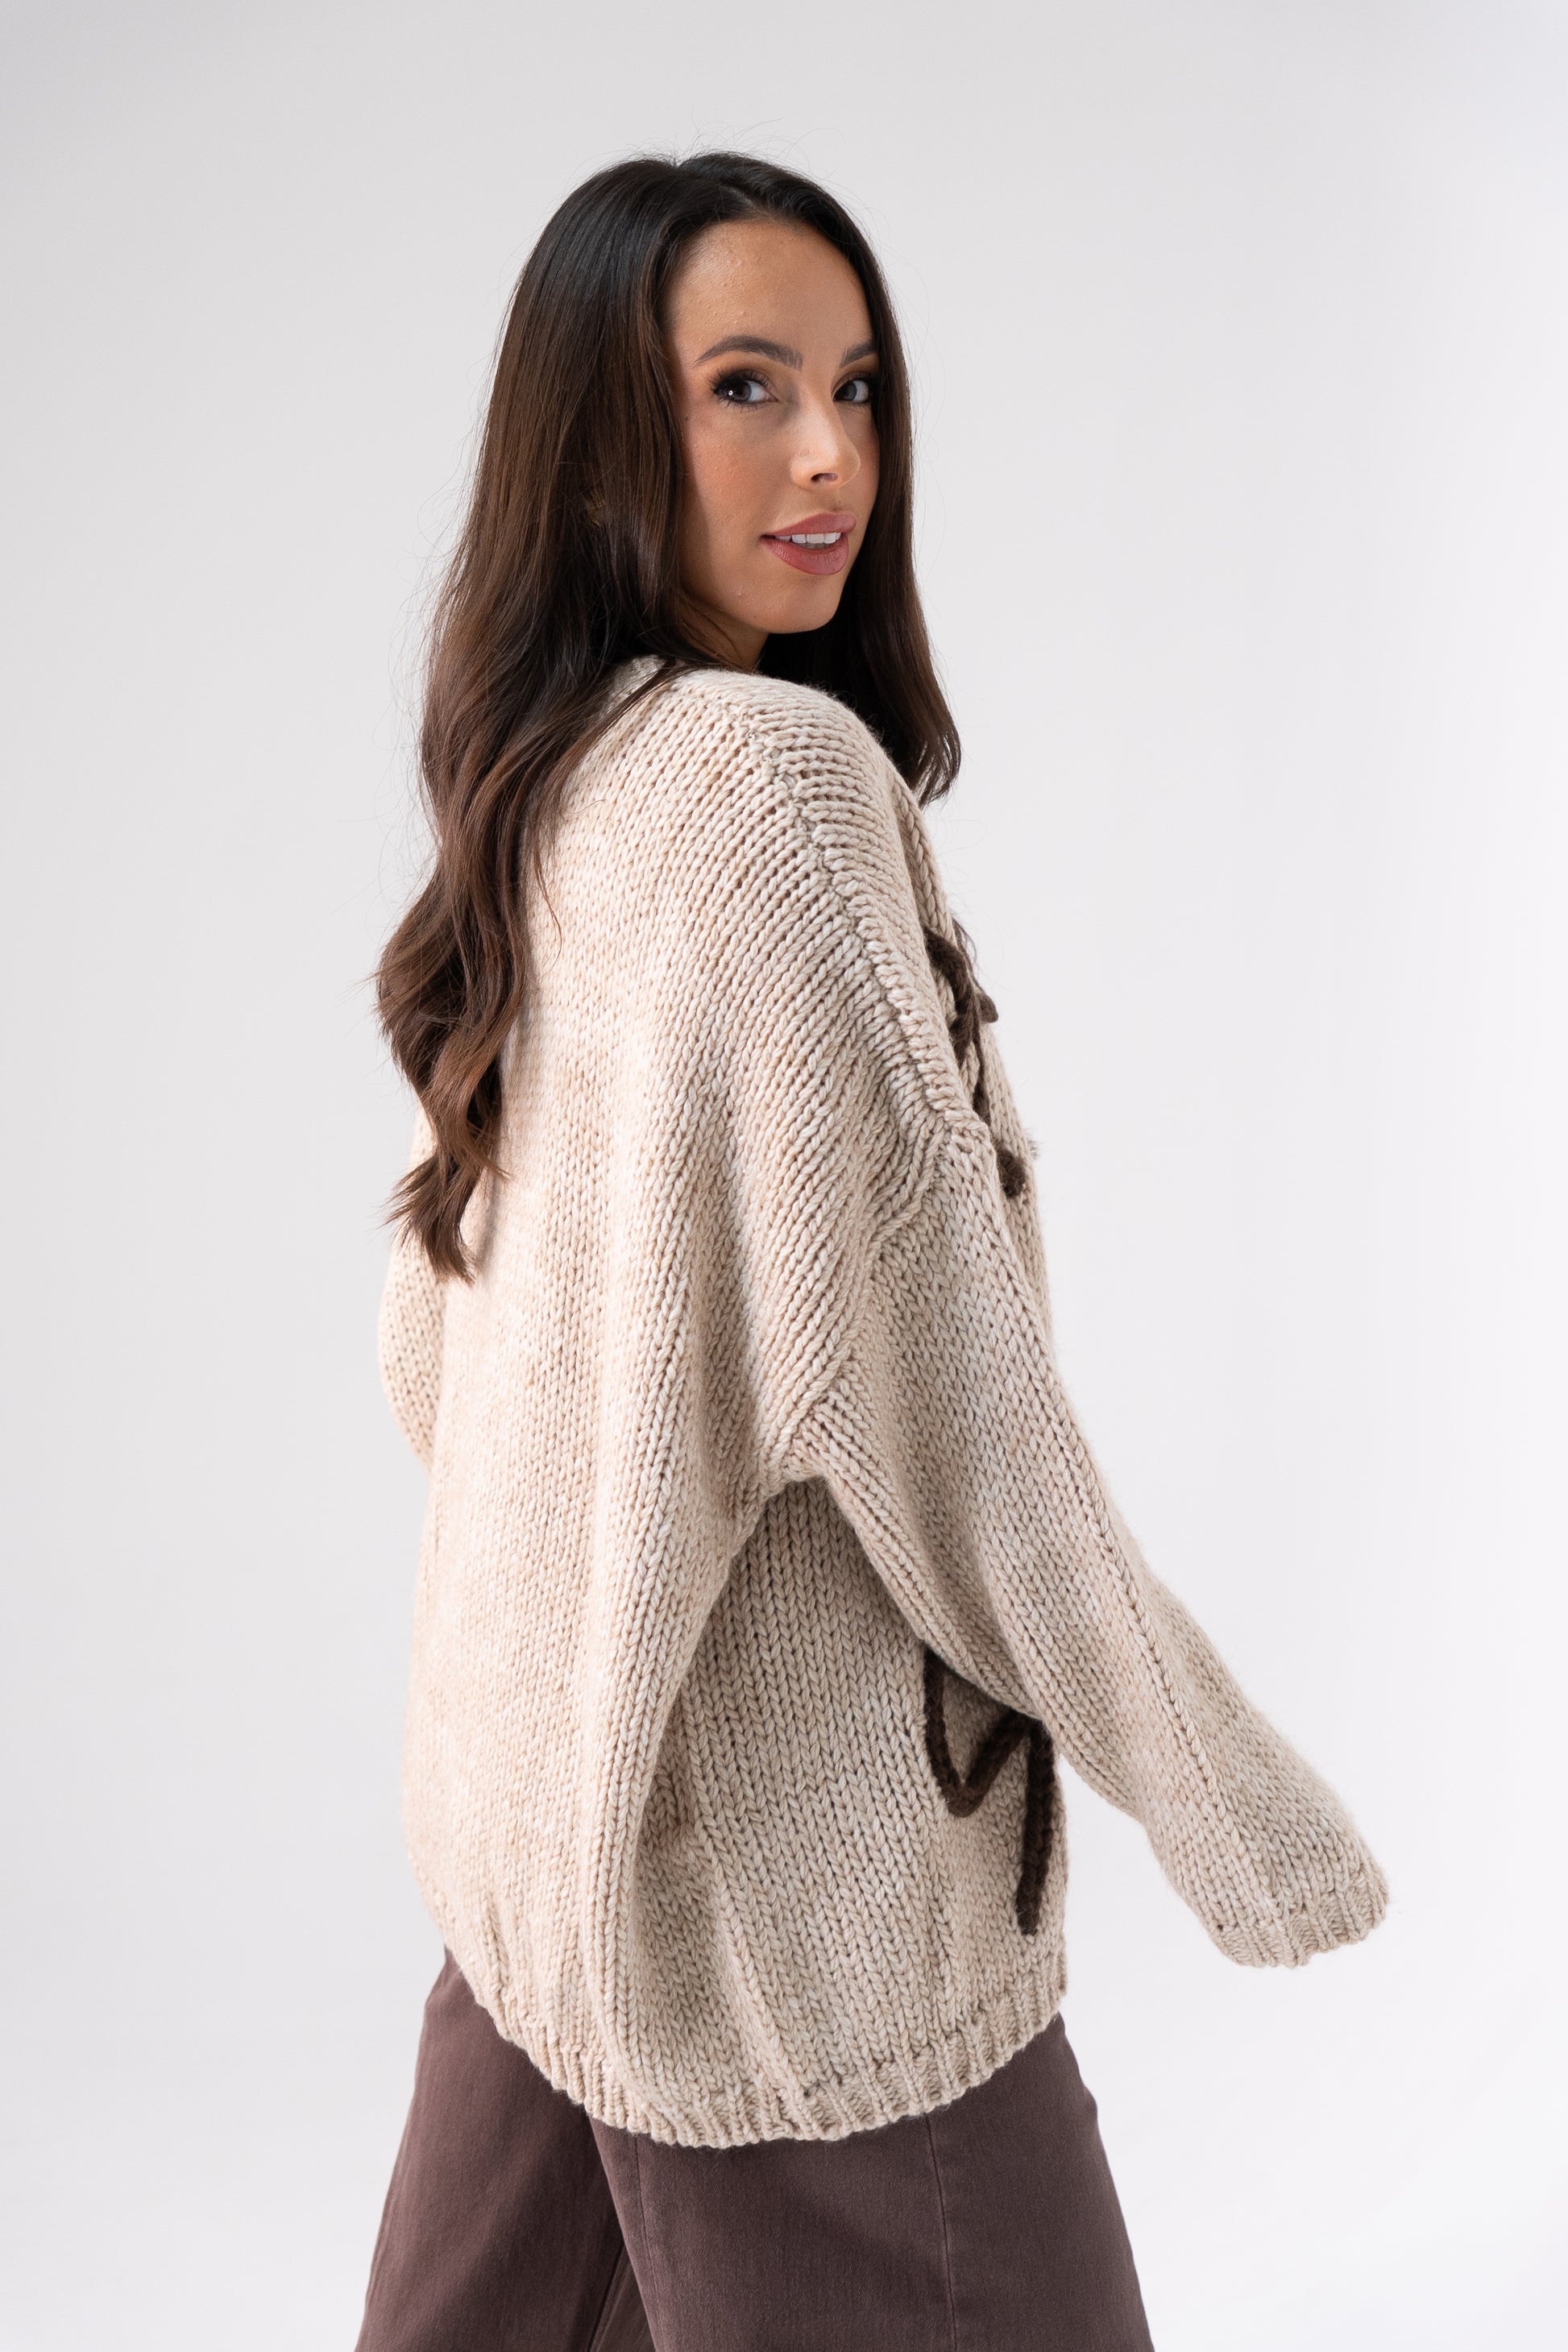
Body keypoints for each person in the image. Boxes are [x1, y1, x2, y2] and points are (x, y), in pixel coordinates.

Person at [355, 151, 1388, 2352]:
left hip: (547, 1851)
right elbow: (943, 1406)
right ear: (596, 429)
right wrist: (1233, 1805)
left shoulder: (551, 783)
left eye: (856, 386)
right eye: (744, 387)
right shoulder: (765, 788)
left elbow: (435, 1354)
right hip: (796, 1919)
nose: (827, 455)